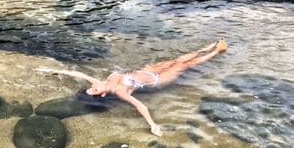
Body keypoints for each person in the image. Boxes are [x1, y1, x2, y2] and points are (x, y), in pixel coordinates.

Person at [40, 40, 227, 136]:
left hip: (147, 71)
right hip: (157, 80)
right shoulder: (118, 91)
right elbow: (140, 106)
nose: (95, 85)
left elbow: (79, 75)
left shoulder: (104, 82)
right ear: (103, 94)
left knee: (176, 60)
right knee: (185, 65)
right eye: (95, 89)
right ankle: (216, 52)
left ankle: (207, 47)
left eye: (93, 87)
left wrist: (52, 70)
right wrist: (153, 125)